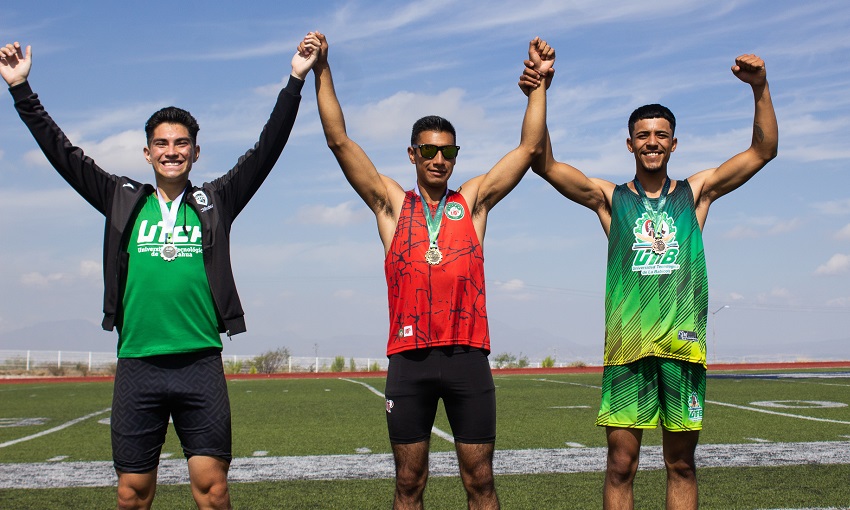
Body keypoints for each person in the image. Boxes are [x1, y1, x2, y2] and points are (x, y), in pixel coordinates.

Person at [0, 34, 320, 510]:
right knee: (132, 493)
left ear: (195, 152)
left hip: (199, 364)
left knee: (212, 490)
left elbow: (266, 148)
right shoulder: (121, 199)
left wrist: (295, 79)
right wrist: (21, 89)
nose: (172, 151)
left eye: (182, 143)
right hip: (138, 364)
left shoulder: (217, 200)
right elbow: (64, 156)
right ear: (147, 154)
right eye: (161, 144)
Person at [304, 31, 552, 509]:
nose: (440, 160)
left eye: (449, 152)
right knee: (408, 485)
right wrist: (322, 69)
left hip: (467, 356)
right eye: (430, 151)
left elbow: (527, 149)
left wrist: (539, 85)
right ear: (413, 154)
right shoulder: (392, 205)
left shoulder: (473, 202)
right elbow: (338, 140)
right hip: (410, 360)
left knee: (480, 482)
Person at [521, 53, 777, 509]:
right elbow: (543, 163)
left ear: (674, 144)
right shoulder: (609, 198)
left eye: (660, 136)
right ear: (630, 144)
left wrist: (760, 88)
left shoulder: (695, 193)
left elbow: (763, 151)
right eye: (643, 136)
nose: (652, 143)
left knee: (681, 464)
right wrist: (540, 90)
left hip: (683, 347)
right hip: (628, 349)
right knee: (622, 464)